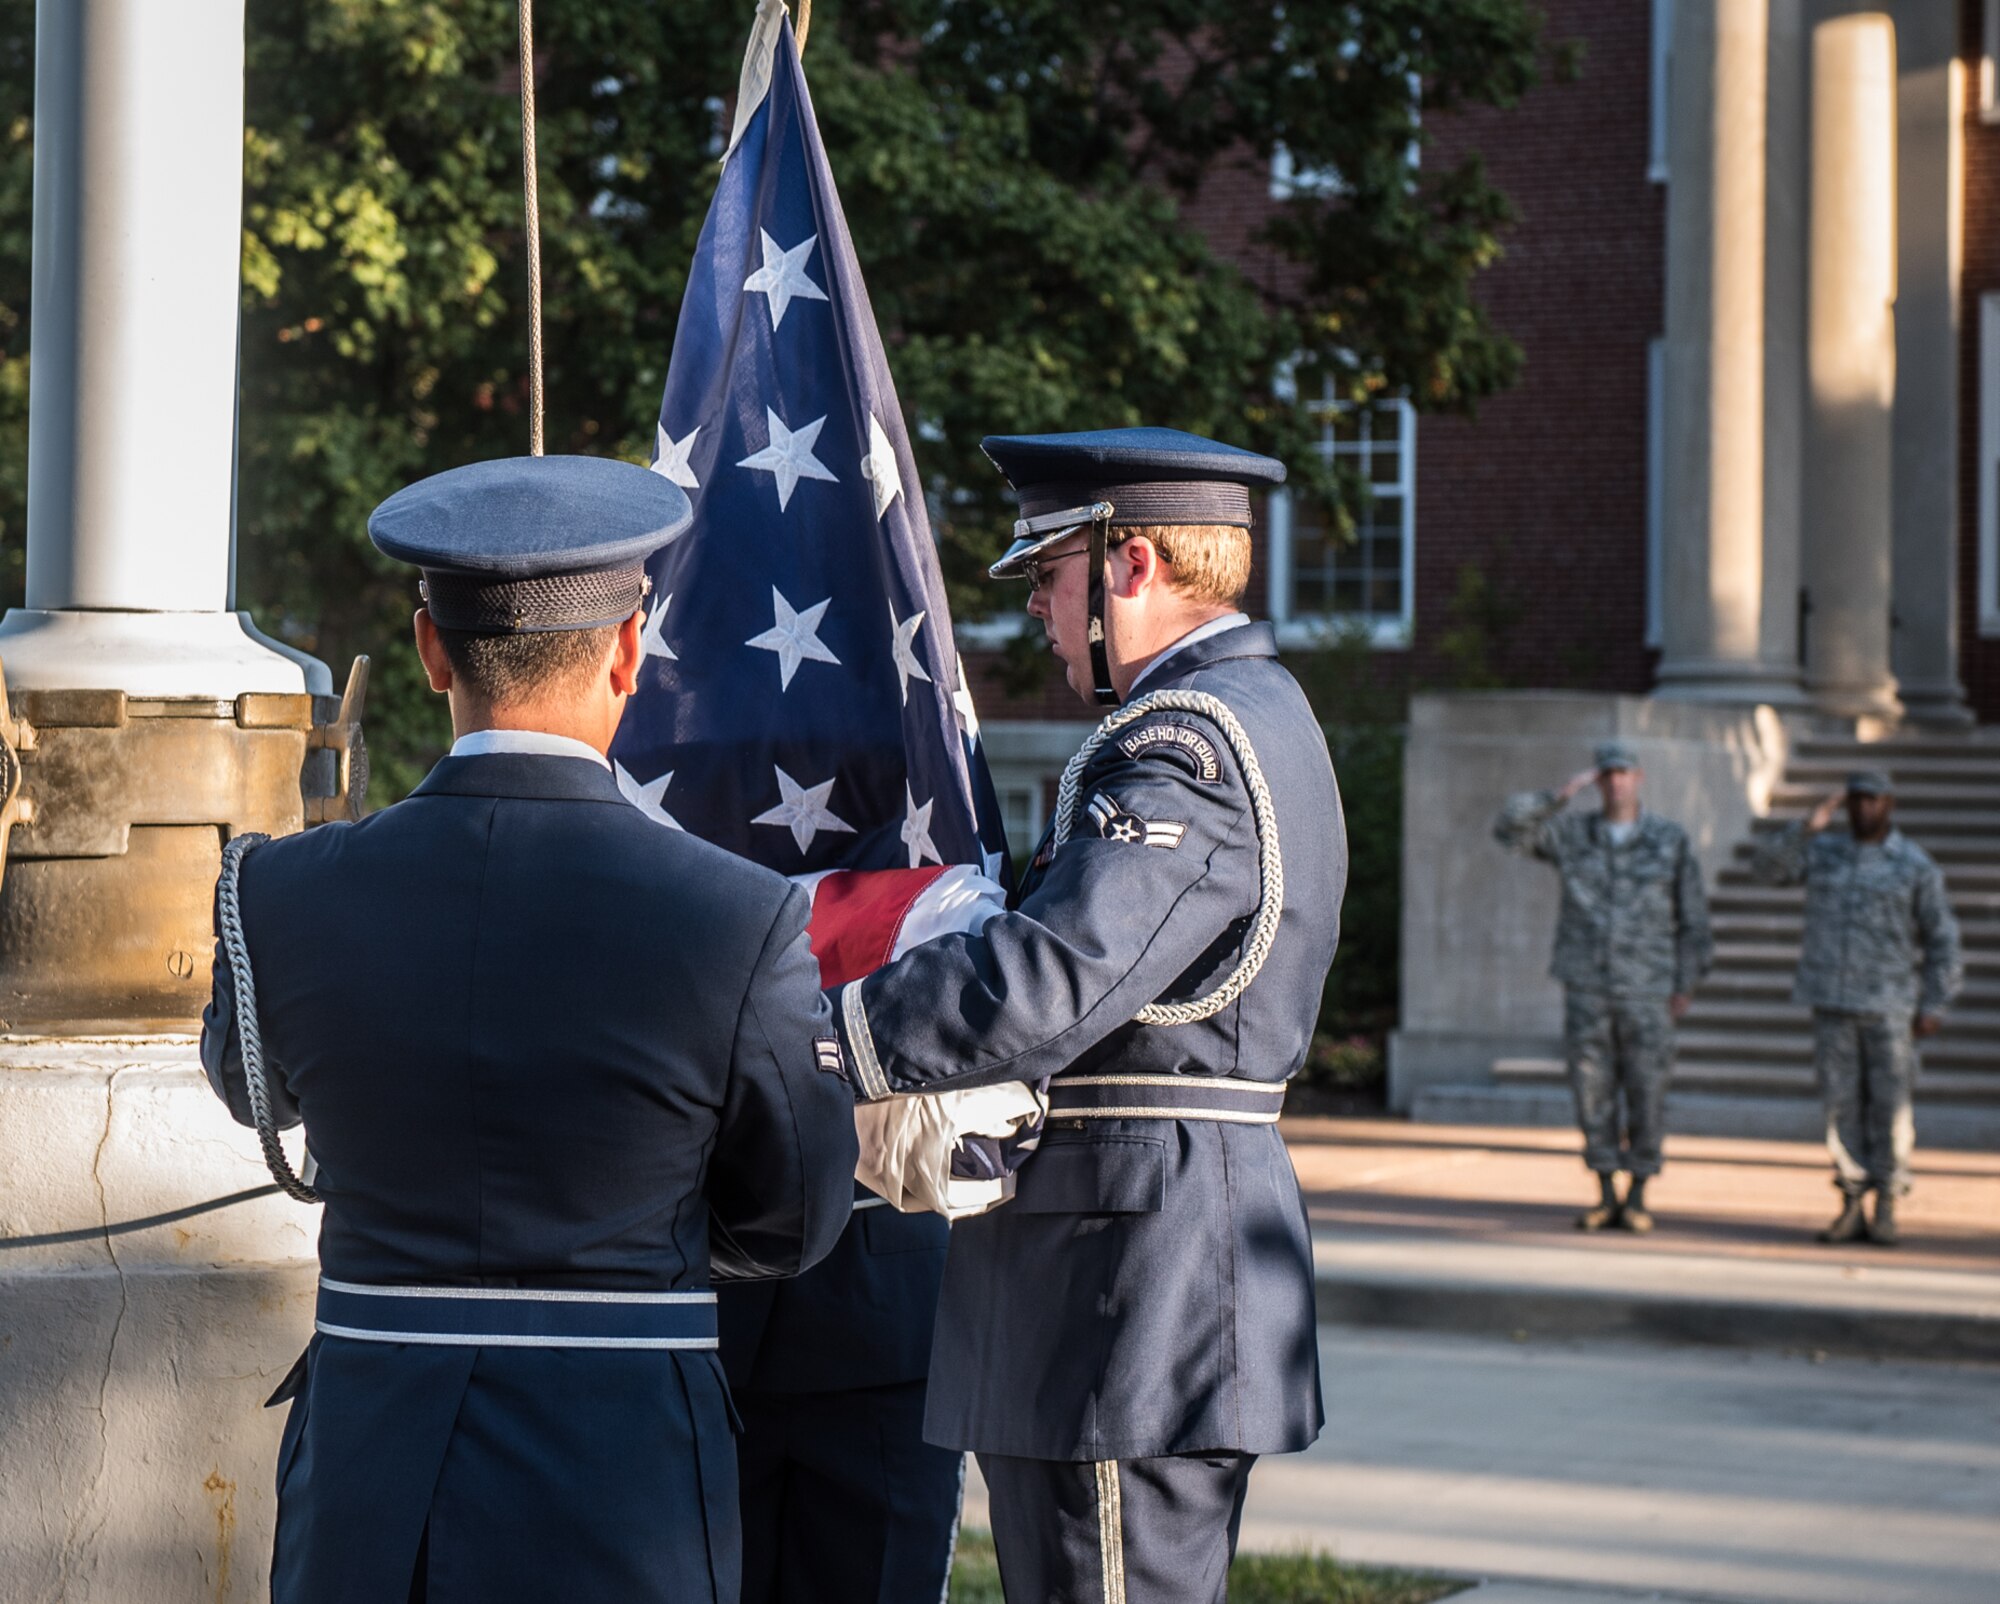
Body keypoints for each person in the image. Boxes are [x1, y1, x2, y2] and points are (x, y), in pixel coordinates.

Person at [199, 454, 860, 1604]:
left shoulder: (279, 893)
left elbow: (253, 1088)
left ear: (428, 650)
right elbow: (795, 1214)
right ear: (626, 651)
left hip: (372, 1465)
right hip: (622, 1476)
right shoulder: (734, 914)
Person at [826, 427, 1345, 1604]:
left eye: (1051, 577)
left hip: (1125, 1277)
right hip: (1143, 1251)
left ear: (1132, 564)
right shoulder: (1240, 713)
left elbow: (1049, 973)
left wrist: (824, 1037)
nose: (1040, 617)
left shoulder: (1185, 741)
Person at [1494, 744, 1712, 1232]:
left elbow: (1693, 919)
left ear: (1639, 778)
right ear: (1599, 781)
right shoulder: (1574, 834)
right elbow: (1509, 828)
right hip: (1588, 983)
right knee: (1592, 1093)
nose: (1616, 784)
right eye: (1607, 776)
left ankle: (1638, 1194)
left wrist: (1686, 982)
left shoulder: (1668, 840)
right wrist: (1559, 795)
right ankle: (1606, 1191)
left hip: (1647, 988)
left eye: (1623, 774)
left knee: (1646, 1089)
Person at [1750, 769, 1962, 1246]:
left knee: (1889, 1110)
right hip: (1832, 1002)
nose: (1865, 809)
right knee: (1840, 1109)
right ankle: (1849, 1202)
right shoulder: (1824, 853)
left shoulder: (1913, 864)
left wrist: (1935, 1002)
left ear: (1889, 804)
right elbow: (1765, 870)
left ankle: (1885, 1203)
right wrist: (1808, 825)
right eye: (1857, 801)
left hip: (1890, 1008)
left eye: (1874, 801)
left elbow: (1942, 939)